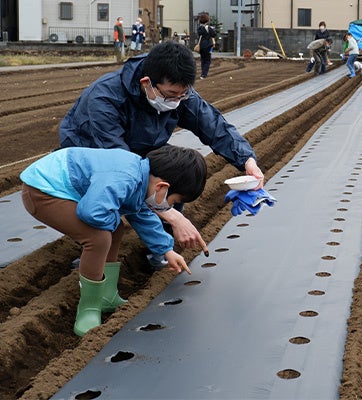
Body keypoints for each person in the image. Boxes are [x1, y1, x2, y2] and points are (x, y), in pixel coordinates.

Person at [58, 41, 264, 260]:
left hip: (141, 146)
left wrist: (247, 161)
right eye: (171, 95)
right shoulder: (106, 97)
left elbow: (213, 125)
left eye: (182, 95)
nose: (176, 101)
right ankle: (92, 246)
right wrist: (170, 214)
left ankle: (160, 250)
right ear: (147, 83)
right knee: (109, 199)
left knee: (178, 173)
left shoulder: (178, 93)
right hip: (92, 152)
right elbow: (120, 165)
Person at [20, 145, 208, 336]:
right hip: (42, 190)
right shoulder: (124, 177)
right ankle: (89, 309)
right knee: (97, 237)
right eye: (174, 202)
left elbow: (142, 215)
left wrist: (167, 250)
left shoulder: (141, 180)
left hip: (62, 188)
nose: (171, 207)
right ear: (162, 187)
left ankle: (107, 296)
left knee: (115, 228)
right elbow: (91, 212)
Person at [197, 12, 217, 79]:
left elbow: (199, 34)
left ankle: (202, 73)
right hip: (208, 46)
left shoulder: (199, 28)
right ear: (207, 20)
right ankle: (204, 75)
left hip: (201, 46)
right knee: (208, 60)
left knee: (203, 60)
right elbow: (214, 34)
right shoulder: (209, 28)